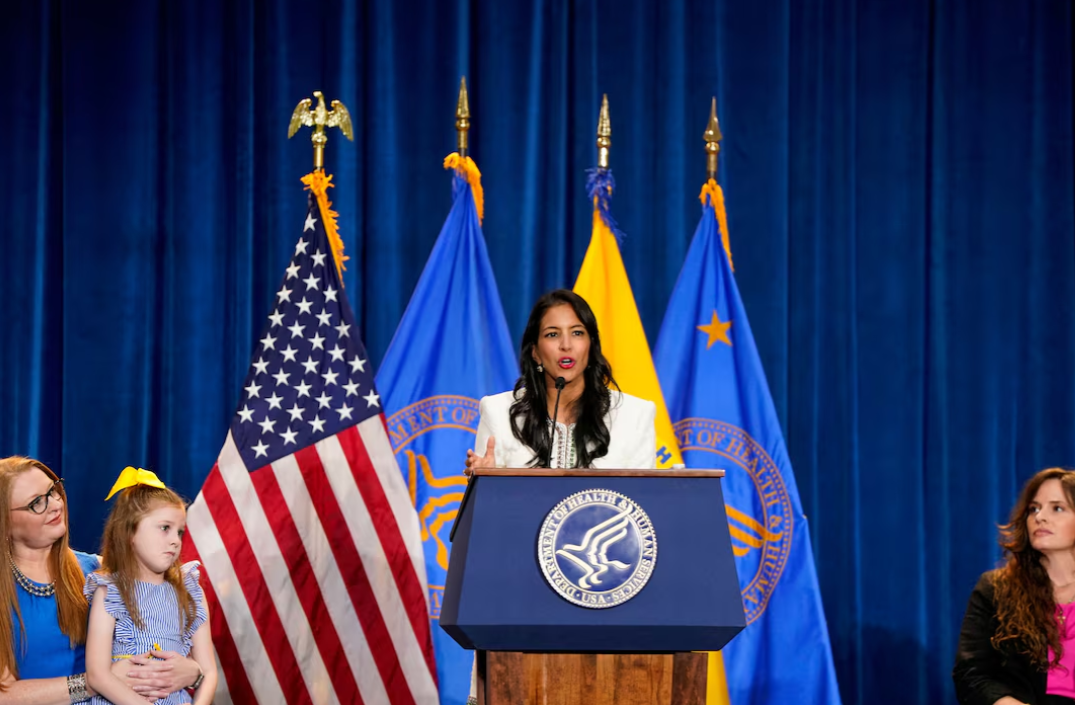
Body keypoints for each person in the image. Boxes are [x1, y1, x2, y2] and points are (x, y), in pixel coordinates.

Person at [0, 456, 199, 704]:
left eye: (53, 490)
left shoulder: (101, 573)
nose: (55, 504)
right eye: (36, 503)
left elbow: (166, 640)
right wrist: (95, 682)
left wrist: (193, 673)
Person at [465, 288, 657, 473]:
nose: (566, 345)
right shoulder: (498, 412)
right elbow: (487, 504)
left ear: (591, 346)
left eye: (577, 333)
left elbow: (643, 500)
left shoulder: (635, 416)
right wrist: (485, 483)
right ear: (535, 353)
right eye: (552, 334)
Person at [84, 467, 216, 705]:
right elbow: (97, 674)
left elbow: (209, 673)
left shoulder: (189, 591)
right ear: (130, 532)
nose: (175, 540)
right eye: (165, 528)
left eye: (180, 532)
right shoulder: (110, 591)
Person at [954, 467, 1075, 705]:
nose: (1039, 517)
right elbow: (971, 674)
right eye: (1034, 509)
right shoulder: (995, 589)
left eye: (1057, 508)